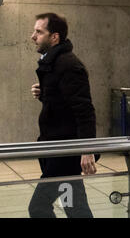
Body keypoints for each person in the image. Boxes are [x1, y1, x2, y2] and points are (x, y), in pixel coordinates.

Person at [28, 13, 98, 218]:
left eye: (39, 32)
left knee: (38, 207)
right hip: (58, 149)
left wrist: (87, 150)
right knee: (76, 209)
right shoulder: (54, 62)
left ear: (54, 37)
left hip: (64, 153)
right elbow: (63, 106)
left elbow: (84, 110)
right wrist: (45, 94)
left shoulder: (68, 65)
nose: (33, 36)